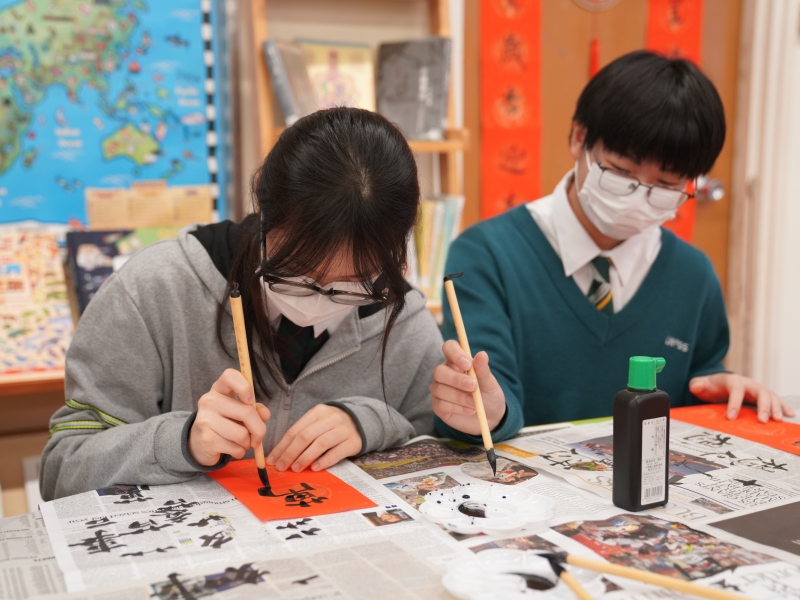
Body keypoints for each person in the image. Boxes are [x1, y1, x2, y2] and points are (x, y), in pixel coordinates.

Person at [41, 108, 442, 500]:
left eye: (353, 283)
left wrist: (372, 423)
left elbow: (436, 444)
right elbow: (62, 470)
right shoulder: (155, 288)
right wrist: (182, 440)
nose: (318, 301)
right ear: (264, 208)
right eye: (296, 272)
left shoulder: (403, 319)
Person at [430, 51, 794, 444]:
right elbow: (485, 391)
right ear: (579, 138)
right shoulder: (486, 255)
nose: (638, 198)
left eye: (666, 185)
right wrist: (483, 412)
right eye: (621, 172)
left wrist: (723, 390)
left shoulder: (693, 274)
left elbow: (701, 377)